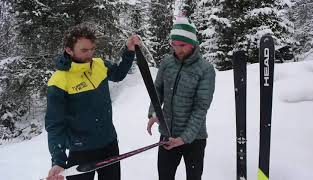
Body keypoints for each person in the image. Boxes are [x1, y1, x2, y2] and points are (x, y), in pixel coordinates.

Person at [45, 24, 140, 180]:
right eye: (84, 50)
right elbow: (55, 125)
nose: (90, 54)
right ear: (69, 50)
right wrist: (58, 161)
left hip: (109, 144)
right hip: (80, 151)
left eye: (92, 49)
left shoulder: (99, 65)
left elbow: (118, 74)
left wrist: (129, 50)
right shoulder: (59, 81)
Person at [147, 17, 215, 180]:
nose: (177, 49)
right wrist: (154, 112)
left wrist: (184, 138)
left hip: (194, 139)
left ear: (192, 43)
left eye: (182, 45)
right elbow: (158, 89)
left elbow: (201, 107)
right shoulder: (167, 62)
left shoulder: (205, 69)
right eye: (174, 44)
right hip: (167, 134)